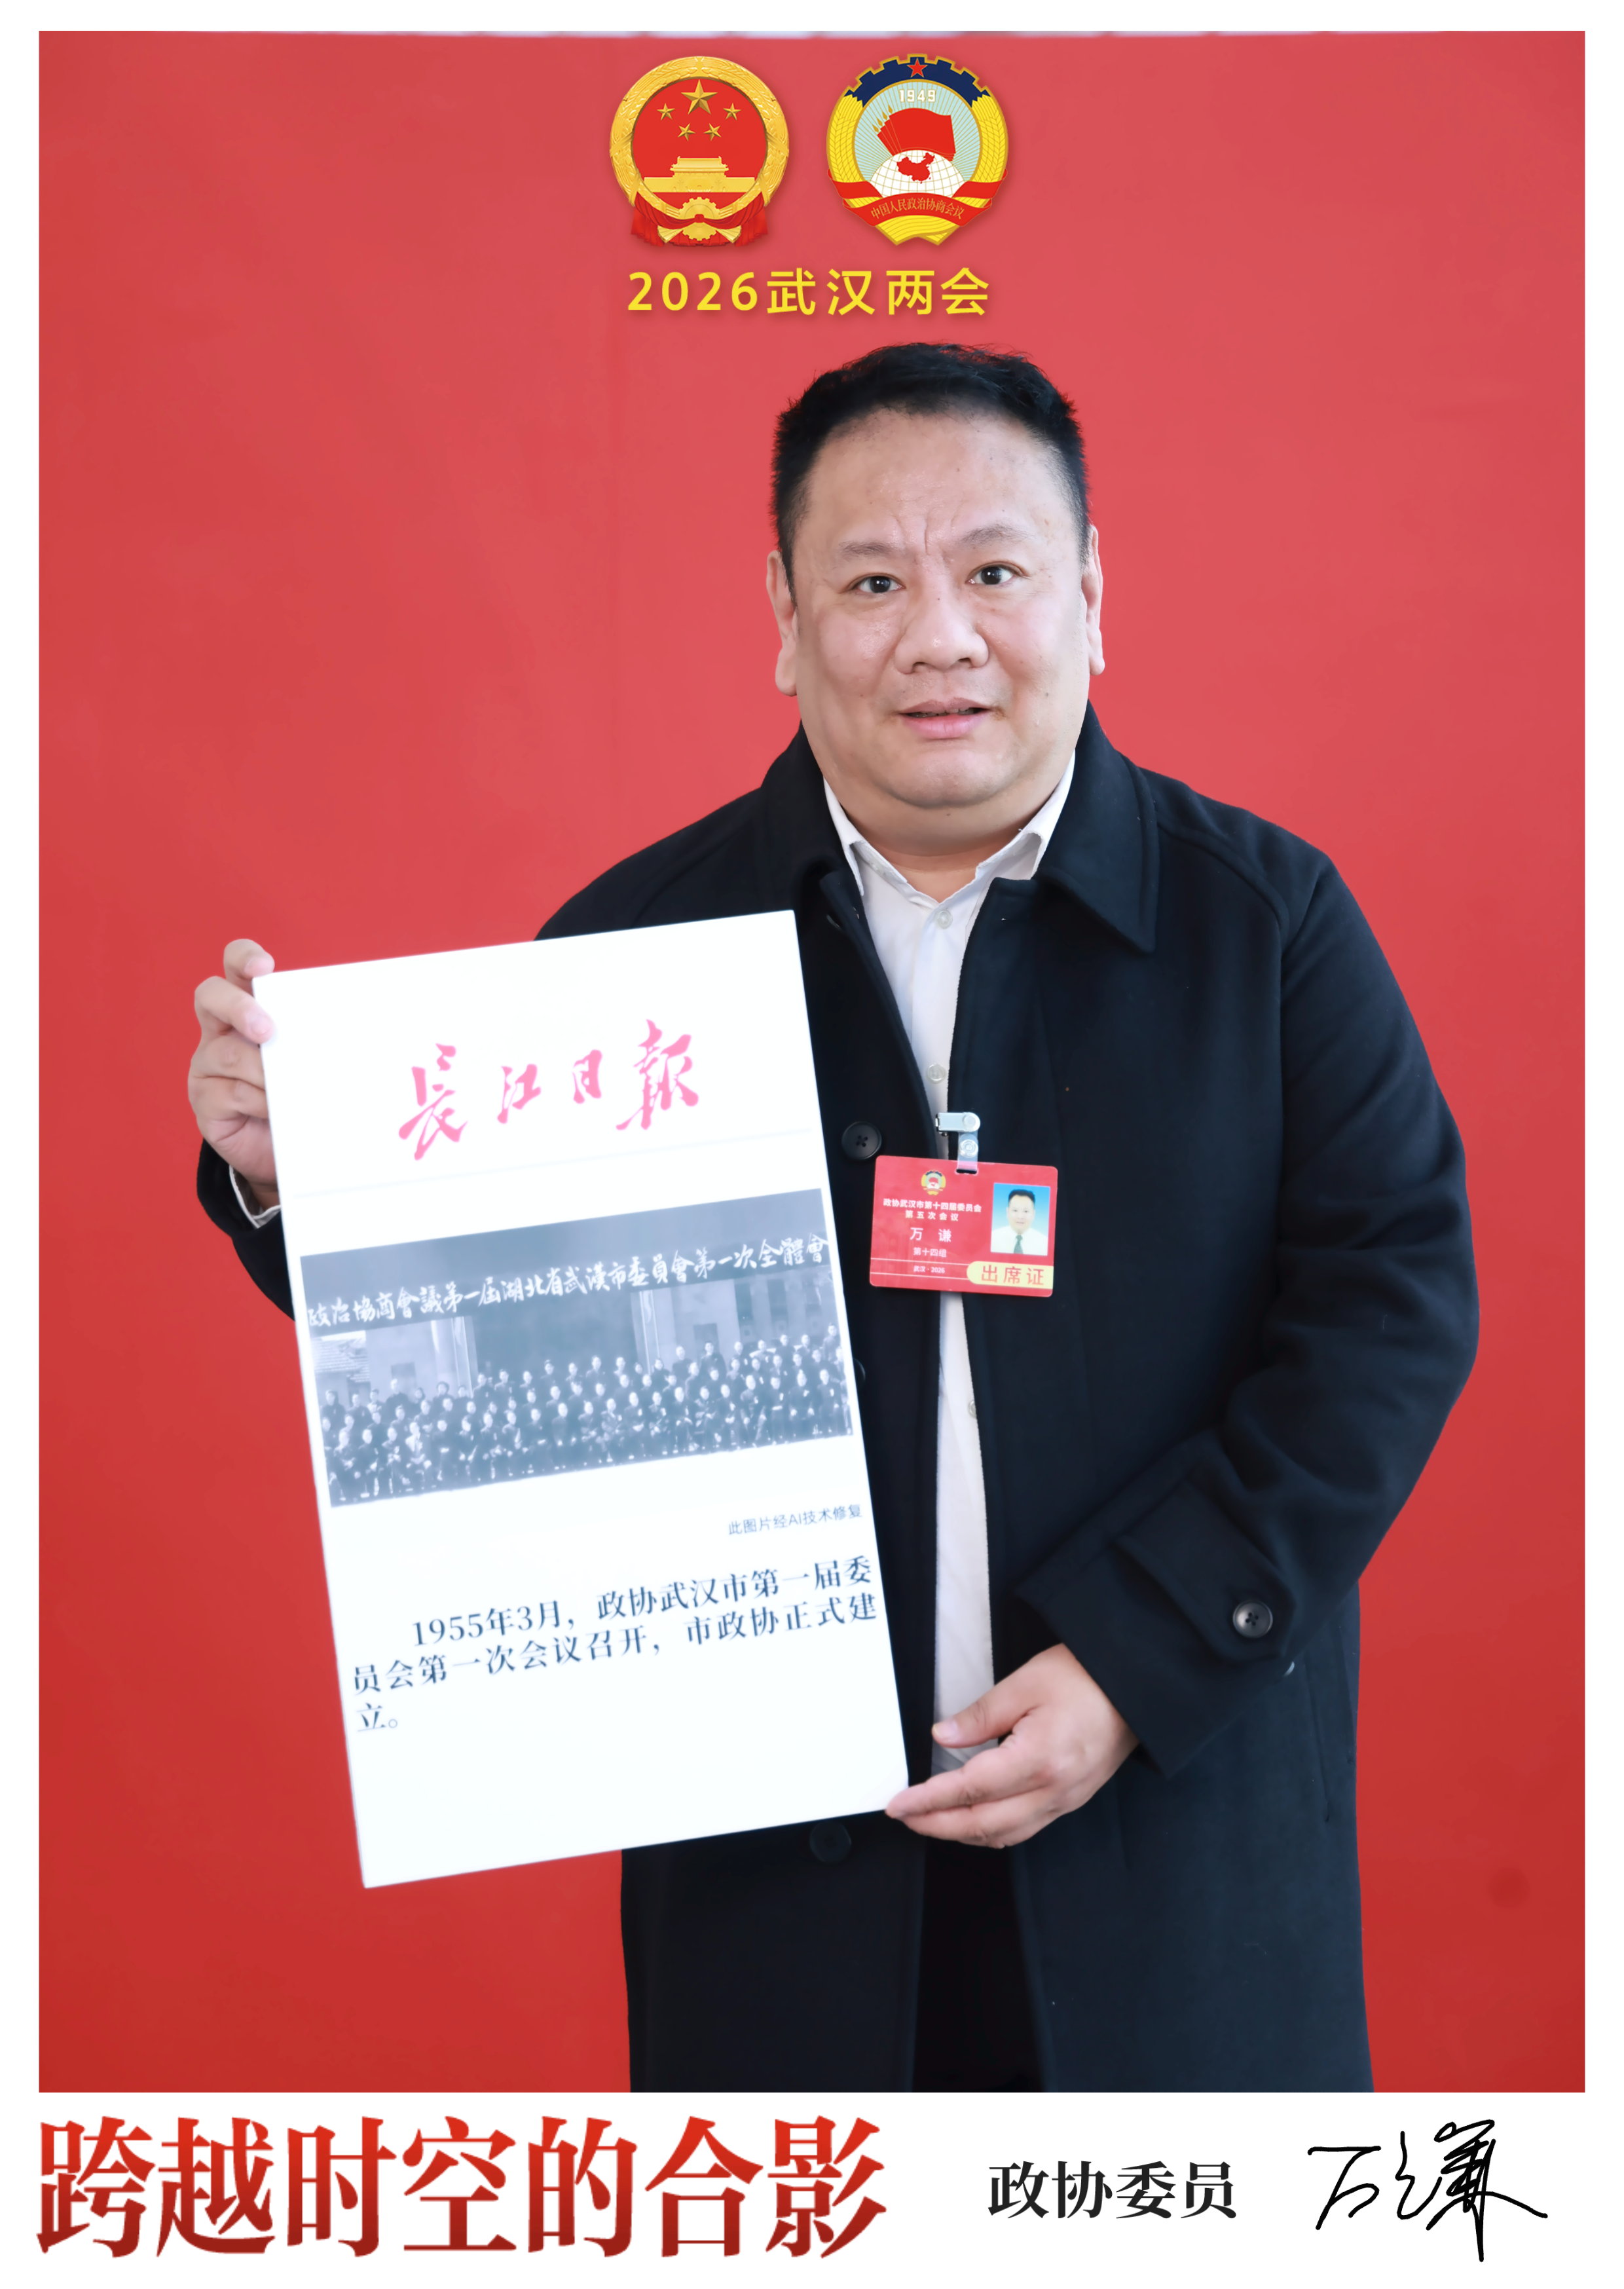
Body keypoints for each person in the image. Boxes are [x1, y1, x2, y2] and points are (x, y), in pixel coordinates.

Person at [188, 342, 1476, 2095]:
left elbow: (1388, 1312)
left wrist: (1141, 1658)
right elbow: (495, 1323)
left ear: (1091, 597)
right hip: (778, 1879)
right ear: (786, 620)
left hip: (1169, 1838)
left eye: (995, 571)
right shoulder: (633, 949)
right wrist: (299, 1175)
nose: (939, 634)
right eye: (871, 582)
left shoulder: (1263, 927)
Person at [989, 1186, 1047, 1256]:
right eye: (1015, 1210)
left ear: (1034, 1214)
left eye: (1026, 1211)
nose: (1020, 1217)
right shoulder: (993, 1239)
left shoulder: (1044, 1244)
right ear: (1007, 1212)